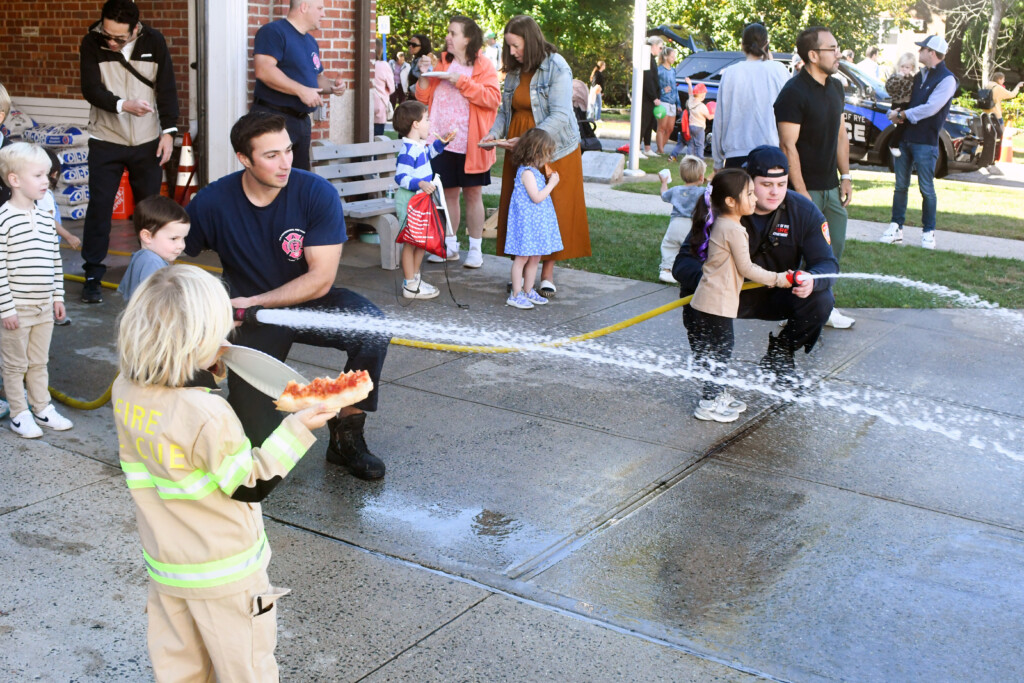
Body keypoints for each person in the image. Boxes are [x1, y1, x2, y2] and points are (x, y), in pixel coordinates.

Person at [113, 264, 336, 682]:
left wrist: (204, 371)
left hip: (167, 565)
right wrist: (297, 429)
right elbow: (249, 484)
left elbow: (170, 447)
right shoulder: (208, 413)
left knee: (180, 668)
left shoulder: (124, 388)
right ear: (198, 341)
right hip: (225, 575)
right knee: (245, 670)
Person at [184, 112, 390, 481]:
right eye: (271, 156)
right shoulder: (212, 202)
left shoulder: (315, 193)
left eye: (289, 151)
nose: (285, 164)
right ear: (244, 159)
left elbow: (321, 280)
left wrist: (255, 303)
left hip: (304, 303)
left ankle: (346, 435)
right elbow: (172, 254)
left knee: (371, 330)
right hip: (248, 316)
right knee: (256, 441)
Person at [672, 145, 838, 389]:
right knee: (692, 289)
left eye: (782, 184)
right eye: (766, 185)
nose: (775, 193)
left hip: (776, 293)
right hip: (723, 295)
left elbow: (827, 264)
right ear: (748, 180)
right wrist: (707, 280)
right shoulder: (722, 206)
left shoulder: (804, 212)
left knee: (822, 297)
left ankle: (780, 355)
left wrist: (812, 278)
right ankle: (707, 362)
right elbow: (684, 262)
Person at [78, 0, 179, 305]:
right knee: (99, 209)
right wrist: (123, 105)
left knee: (149, 212)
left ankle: (155, 276)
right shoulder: (91, 43)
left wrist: (169, 132)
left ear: (136, 29)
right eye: (106, 34)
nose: (110, 41)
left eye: (119, 38)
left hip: (147, 140)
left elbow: (167, 88)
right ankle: (92, 276)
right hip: (105, 137)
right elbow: (90, 89)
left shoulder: (155, 41)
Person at [484, 15, 591, 299]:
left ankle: (547, 274)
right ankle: (521, 275)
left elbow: (560, 114)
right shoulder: (514, 71)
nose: (512, 53)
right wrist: (493, 135)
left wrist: (530, 139)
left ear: (530, 41)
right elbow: (504, 112)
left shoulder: (557, 66)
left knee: (552, 208)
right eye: (508, 47)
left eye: (515, 46)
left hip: (551, 145)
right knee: (521, 208)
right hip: (520, 149)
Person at [688, 168, 793, 422]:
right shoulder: (733, 229)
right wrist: (779, 279)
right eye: (749, 194)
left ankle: (717, 393)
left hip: (710, 301)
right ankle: (708, 402)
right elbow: (746, 267)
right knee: (721, 352)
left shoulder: (726, 223)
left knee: (717, 351)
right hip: (716, 303)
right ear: (730, 202)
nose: (755, 198)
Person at [775, 26, 855, 330]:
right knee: (796, 253)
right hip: (801, 190)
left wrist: (845, 176)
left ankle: (824, 304)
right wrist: (801, 191)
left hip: (831, 187)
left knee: (831, 252)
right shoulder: (793, 93)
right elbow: (787, 145)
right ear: (812, 55)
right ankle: (789, 307)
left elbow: (840, 134)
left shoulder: (836, 87)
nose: (838, 54)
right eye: (832, 48)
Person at [0, 142, 73, 438]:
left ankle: (42, 406)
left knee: (39, 361)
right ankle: (19, 413)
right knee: (15, 365)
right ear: (14, 180)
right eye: (39, 176)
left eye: (47, 176)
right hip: (17, 309)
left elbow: (55, 259)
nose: (47, 181)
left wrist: (58, 296)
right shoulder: (3, 220)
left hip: (43, 306)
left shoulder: (45, 217)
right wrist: (6, 309)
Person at [415, 16, 500, 269]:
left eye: (453, 33)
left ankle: (475, 249)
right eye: (448, 32)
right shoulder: (442, 61)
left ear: (468, 38)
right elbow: (422, 95)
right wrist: (423, 75)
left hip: (472, 143)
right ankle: (450, 246)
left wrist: (460, 81)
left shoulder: (484, 66)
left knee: (473, 194)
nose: (448, 37)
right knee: (447, 195)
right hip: (440, 142)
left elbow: (492, 99)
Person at [879, 35, 958, 250]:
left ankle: (928, 232)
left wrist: (903, 115)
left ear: (931, 52)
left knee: (926, 188)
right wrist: (894, 111)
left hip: (926, 141)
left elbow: (931, 108)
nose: (919, 52)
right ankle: (896, 227)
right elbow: (903, 98)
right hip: (905, 139)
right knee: (900, 186)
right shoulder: (919, 75)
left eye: (922, 48)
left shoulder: (947, 79)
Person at [252, 0, 347, 172]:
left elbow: (315, 79)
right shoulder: (273, 32)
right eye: (320, 8)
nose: (323, 14)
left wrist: (333, 86)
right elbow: (264, 70)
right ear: (304, 7)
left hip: (301, 123)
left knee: (298, 181)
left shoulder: (311, 42)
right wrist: (301, 91)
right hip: (273, 119)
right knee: (272, 179)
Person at [711, 23, 789, 171]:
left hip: (736, 153)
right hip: (771, 152)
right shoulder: (779, 70)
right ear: (767, 44)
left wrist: (717, 161)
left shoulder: (730, 72)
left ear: (742, 45)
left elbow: (720, 118)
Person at [393, 100, 449, 299]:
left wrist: (441, 143)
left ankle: (415, 278)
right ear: (415, 124)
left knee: (420, 241)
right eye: (426, 119)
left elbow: (428, 154)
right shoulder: (408, 150)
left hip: (420, 200)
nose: (429, 123)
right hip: (409, 201)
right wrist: (420, 183)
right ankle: (409, 285)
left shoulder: (418, 146)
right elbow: (401, 177)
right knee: (410, 242)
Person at [503, 128, 563, 309]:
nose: (548, 159)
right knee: (522, 258)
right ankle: (516, 293)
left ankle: (528, 290)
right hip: (526, 225)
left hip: (535, 223)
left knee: (535, 258)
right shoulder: (527, 173)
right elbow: (536, 197)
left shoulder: (536, 172)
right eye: (546, 154)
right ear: (536, 152)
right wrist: (551, 184)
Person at [118, 195, 190, 301]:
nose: (182, 245)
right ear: (147, 236)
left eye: (183, 238)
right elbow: (157, 303)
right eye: (174, 238)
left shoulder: (140, 258)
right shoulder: (152, 263)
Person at [657, 155, 706, 284]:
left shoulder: (675, 190)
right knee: (692, 249)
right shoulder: (703, 192)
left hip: (675, 223)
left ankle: (666, 270)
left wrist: (664, 183)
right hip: (692, 225)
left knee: (669, 246)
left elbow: (663, 195)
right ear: (701, 177)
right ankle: (690, 270)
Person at [981, 72, 1022, 163]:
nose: (1004, 81)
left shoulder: (988, 85)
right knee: (1001, 136)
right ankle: (997, 155)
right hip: (996, 115)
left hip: (986, 114)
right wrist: (1018, 86)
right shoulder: (998, 88)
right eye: (1003, 79)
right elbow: (1011, 94)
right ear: (999, 79)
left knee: (988, 136)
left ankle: (987, 154)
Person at [884, 52, 917, 159]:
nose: (904, 69)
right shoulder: (895, 77)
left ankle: (901, 144)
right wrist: (899, 77)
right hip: (898, 104)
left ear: (912, 68)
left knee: (906, 124)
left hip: (907, 104)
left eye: (907, 67)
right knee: (901, 125)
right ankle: (893, 144)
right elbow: (890, 89)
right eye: (902, 66)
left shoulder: (912, 79)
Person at [673, 77, 713, 160]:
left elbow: (690, 93)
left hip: (691, 127)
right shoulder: (702, 107)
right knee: (699, 144)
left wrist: (689, 84)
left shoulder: (690, 101)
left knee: (691, 143)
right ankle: (700, 159)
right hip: (699, 128)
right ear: (702, 96)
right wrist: (715, 114)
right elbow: (709, 117)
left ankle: (689, 157)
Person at [641, 36, 665, 158]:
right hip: (646, 97)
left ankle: (647, 147)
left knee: (650, 122)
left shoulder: (651, 59)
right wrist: (654, 96)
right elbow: (648, 79)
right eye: (660, 47)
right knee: (643, 122)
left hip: (652, 97)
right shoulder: (647, 59)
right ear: (654, 45)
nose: (661, 50)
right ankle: (637, 149)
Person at [656, 47, 680, 155]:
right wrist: (662, 91)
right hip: (663, 102)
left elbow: (675, 88)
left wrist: (678, 103)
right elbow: (653, 87)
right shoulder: (659, 70)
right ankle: (661, 150)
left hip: (672, 103)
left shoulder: (673, 71)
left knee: (670, 128)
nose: (674, 58)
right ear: (665, 57)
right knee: (661, 127)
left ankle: (660, 149)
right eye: (672, 56)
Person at [372, 39, 396, 137]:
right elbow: (392, 88)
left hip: (365, 105)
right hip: (379, 105)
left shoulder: (364, 64)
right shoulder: (383, 65)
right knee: (377, 138)